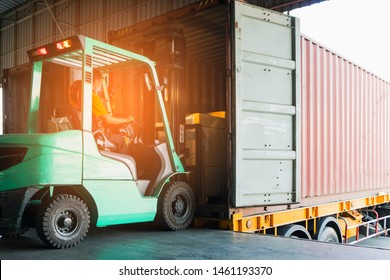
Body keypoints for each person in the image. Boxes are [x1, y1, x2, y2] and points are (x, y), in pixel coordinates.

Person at [69, 73, 134, 130]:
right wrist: (126, 120)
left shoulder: (78, 99)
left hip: (86, 134)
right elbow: (107, 120)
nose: (100, 84)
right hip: (94, 136)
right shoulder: (92, 96)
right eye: (100, 81)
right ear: (96, 80)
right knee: (120, 140)